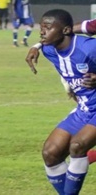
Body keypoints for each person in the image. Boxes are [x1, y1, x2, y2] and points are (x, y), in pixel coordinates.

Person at [26, 9, 96, 194]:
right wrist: (36, 46)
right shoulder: (50, 50)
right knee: (50, 153)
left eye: (47, 28)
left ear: (64, 31)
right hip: (84, 108)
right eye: (41, 28)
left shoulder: (89, 48)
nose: (42, 32)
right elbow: (53, 36)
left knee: (77, 146)